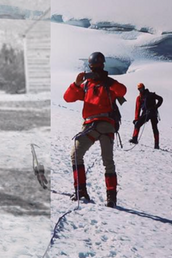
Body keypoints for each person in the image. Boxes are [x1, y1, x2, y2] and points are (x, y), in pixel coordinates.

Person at [63, 52, 127, 207]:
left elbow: (122, 91)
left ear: (103, 66)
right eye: (93, 67)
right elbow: (68, 98)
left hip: (103, 124)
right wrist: (76, 84)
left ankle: (104, 196)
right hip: (92, 125)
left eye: (97, 66)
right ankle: (83, 191)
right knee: (89, 157)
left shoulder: (109, 83)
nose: (95, 69)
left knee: (105, 160)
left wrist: (106, 80)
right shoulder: (87, 85)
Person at [129, 83, 163, 149]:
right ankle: (135, 139)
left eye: (141, 88)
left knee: (153, 128)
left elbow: (160, 99)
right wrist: (136, 118)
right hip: (150, 113)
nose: (140, 90)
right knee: (139, 124)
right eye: (139, 89)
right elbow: (137, 109)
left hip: (149, 113)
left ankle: (156, 144)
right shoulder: (141, 97)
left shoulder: (147, 96)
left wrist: (155, 107)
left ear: (143, 87)